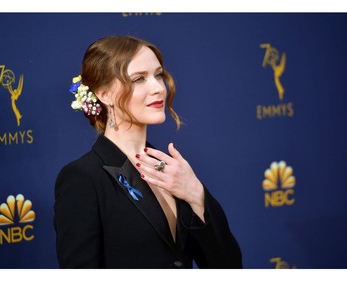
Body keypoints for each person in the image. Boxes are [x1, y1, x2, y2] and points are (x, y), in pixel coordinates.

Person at [54, 35, 242, 269]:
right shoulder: (83, 179)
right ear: (104, 94)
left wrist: (195, 193)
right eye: (139, 79)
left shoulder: (172, 172)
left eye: (158, 75)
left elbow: (228, 266)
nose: (158, 88)